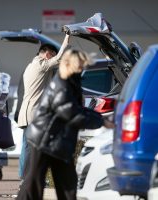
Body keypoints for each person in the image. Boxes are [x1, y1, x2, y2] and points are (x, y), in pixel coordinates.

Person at [17, 49, 115, 200]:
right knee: (34, 185)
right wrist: (101, 121)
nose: (84, 67)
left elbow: (77, 110)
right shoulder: (62, 84)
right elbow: (71, 113)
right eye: (81, 64)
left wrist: (100, 119)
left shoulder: (70, 82)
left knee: (67, 184)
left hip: (58, 141)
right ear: (74, 65)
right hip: (44, 140)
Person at [17, 35, 70, 181]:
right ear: (47, 53)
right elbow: (58, 59)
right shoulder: (41, 64)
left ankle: (25, 178)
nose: (53, 58)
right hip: (34, 114)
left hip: (27, 114)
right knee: (32, 149)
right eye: (52, 55)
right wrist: (67, 37)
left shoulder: (31, 65)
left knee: (27, 148)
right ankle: (27, 178)